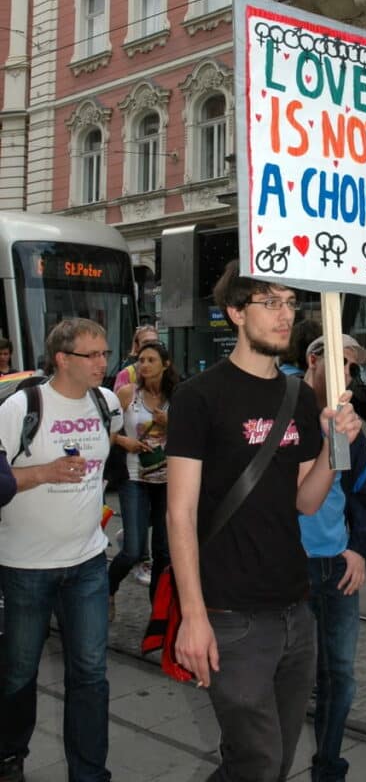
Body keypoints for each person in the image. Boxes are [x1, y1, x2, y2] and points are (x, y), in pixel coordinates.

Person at [166, 261, 362, 782]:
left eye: (290, 303)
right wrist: (193, 615)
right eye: (269, 303)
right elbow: (179, 514)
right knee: (259, 762)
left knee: (270, 762)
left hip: (296, 609)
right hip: (230, 615)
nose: (284, 316)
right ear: (235, 312)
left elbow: (306, 501)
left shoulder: (298, 398)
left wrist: (334, 446)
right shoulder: (198, 397)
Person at [0, 318, 123, 782]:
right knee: (18, 673)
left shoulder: (106, 402)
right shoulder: (20, 408)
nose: (102, 363)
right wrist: (43, 474)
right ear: (62, 359)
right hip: (24, 566)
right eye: (92, 355)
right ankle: (9, 755)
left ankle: (89, 774)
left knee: (91, 674)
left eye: (105, 353)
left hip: (87, 562)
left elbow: (104, 460)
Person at [301, 335, 366, 782]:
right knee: (283, 674)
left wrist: (358, 549)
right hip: (290, 565)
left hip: (336, 563)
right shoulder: (286, 411)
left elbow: (360, 496)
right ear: (314, 361)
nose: (346, 377)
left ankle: (328, 768)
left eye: (351, 369)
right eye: (339, 365)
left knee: (340, 675)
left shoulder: (351, 429)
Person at [108, 341, 179, 619]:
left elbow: (193, 434)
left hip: (167, 480)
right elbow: (107, 431)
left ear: (166, 364)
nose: (144, 366)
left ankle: (157, 614)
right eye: (141, 360)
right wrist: (125, 441)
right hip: (134, 478)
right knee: (133, 549)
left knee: (163, 553)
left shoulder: (178, 396)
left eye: (151, 360)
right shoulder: (127, 394)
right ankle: (108, 588)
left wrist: (169, 424)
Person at [113, 324, 159, 394]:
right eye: (146, 343)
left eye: (155, 342)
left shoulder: (167, 371)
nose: (151, 346)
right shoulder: (126, 374)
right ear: (137, 346)